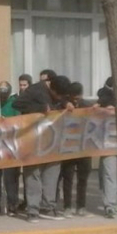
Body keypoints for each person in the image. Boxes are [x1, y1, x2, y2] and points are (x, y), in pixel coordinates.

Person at [14, 74, 73, 222]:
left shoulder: (57, 92)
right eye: (57, 95)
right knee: (33, 174)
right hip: (33, 138)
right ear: (51, 88)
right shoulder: (35, 90)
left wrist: (66, 103)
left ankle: (48, 207)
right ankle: (32, 210)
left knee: (52, 172)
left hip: (51, 140)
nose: (58, 98)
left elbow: (60, 99)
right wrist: (39, 108)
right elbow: (17, 104)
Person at [0, 80, 21, 215]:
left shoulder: (14, 103)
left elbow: (20, 121)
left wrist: (6, 121)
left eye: (5, 92)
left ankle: (12, 204)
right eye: (0, 92)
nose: (2, 95)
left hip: (10, 145)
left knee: (10, 177)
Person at [60, 81, 93, 217]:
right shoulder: (63, 104)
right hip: (68, 146)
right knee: (68, 178)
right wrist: (64, 105)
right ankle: (67, 206)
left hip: (84, 147)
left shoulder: (86, 105)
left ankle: (81, 206)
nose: (76, 100)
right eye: (73, 97)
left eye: (78, 97)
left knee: (83, 179)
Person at [97, 77, 117, 218]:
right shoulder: (103, 97)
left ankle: (115, 202)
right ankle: (110, 205)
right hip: (108, 143)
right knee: (110, 173)